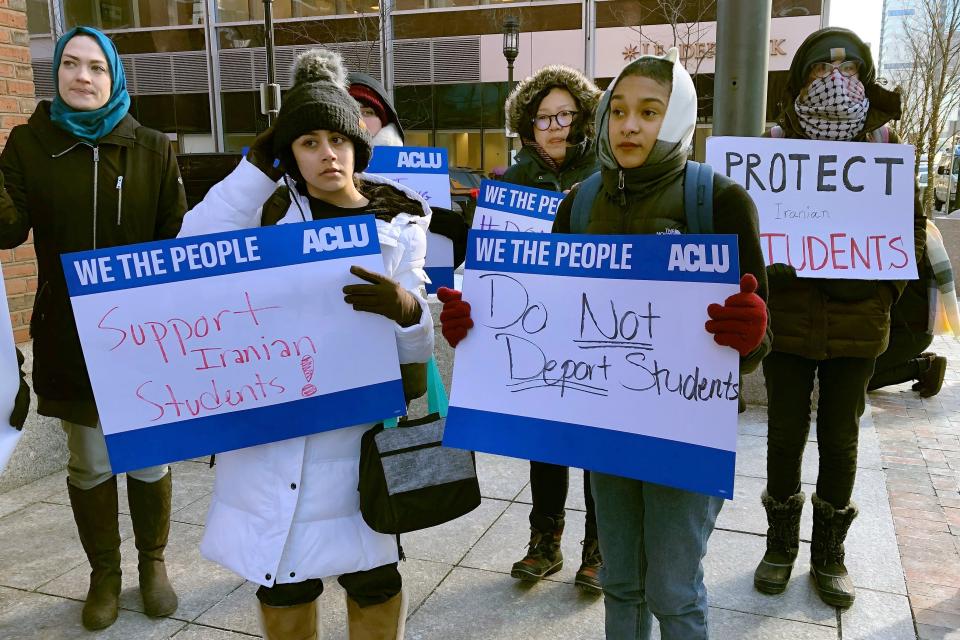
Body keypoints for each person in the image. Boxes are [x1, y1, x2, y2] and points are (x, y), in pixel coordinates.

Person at [438, 49, 769, 638]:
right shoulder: (580, 202)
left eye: (649, 111)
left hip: (682, 432)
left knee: (674, 589)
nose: (630, 125)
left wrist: (751, 330)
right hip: (607, 429)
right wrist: (478, 323)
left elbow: (761, 342)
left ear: (678, 119)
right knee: (619, 580)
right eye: (618, 111)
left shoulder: (719, 202)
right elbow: (542, 312)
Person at [179, 49, 434, 639]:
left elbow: (417, 349)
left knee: (373, 576)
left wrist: (408, 310)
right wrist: (253, 171)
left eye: (338, 140)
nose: (327, 154)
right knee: (285, 575)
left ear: (358, 147)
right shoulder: (267, 213)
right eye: (309, 142)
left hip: (358, 435)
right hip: (277, 435)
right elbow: (191, 247)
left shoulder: (400, 220)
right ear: (289, 153)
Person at [0, 26, 185, 631]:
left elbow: (176, 241)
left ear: (114, 77)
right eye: (72, 65)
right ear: (56, 74)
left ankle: (153, 563)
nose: (83, 77)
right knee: (89, 462)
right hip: (70, 335)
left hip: (143, 336)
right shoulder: (29, 145)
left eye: (96, 67)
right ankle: (105, 573)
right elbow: (7, 231)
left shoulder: (154, 147)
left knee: (150, 458)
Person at [753, 27, 927, 608]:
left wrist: (877, 289)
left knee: (841, 438)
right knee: (783, 435)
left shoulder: (887, 150)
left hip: (858, 323)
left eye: (850, 71)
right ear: (800, 82)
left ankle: (830, 553)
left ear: (867, 79)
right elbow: (750, 228)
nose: (836, 83)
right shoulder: (773, 145)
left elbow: (911, 234)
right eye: (822, 73)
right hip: (788, 319)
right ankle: (779, 546)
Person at [499, 65, 605, 594]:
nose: (556, 126)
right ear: (527, 126)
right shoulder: (511, 184)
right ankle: (545, 542)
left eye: (565, 114)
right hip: (537, 329)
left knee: (594, 444)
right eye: (544, 118)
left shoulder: (610, 177)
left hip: (598, 327)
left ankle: (598, 546)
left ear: (583, 117)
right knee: (547, 440)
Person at [868, 221, 957, 397]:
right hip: (909, 330)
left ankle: (925, 367)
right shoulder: (925, 231)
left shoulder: (906, 242)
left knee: (863, 378)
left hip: (909, 333)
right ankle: (921, 361)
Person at [349, 71, 405, 147]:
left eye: (367, 113)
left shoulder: (403, 157)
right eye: (351, 112)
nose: (360, 121)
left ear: (383, 122)